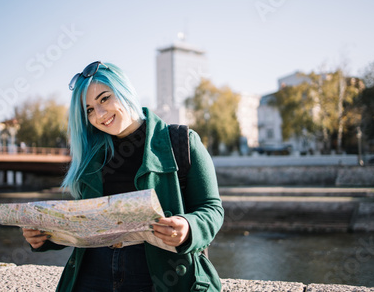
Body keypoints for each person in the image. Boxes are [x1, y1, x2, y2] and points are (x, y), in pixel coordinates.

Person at [22, 61, 224, 292]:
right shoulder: (90, 156)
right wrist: (45, 235)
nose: (99, 114)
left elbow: (212, 209)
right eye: (88, 109)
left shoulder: (182, 141)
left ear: (124, 91)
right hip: (92, 276)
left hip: (159, 275)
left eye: (104, 99)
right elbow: (86, 224)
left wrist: (188, 227)